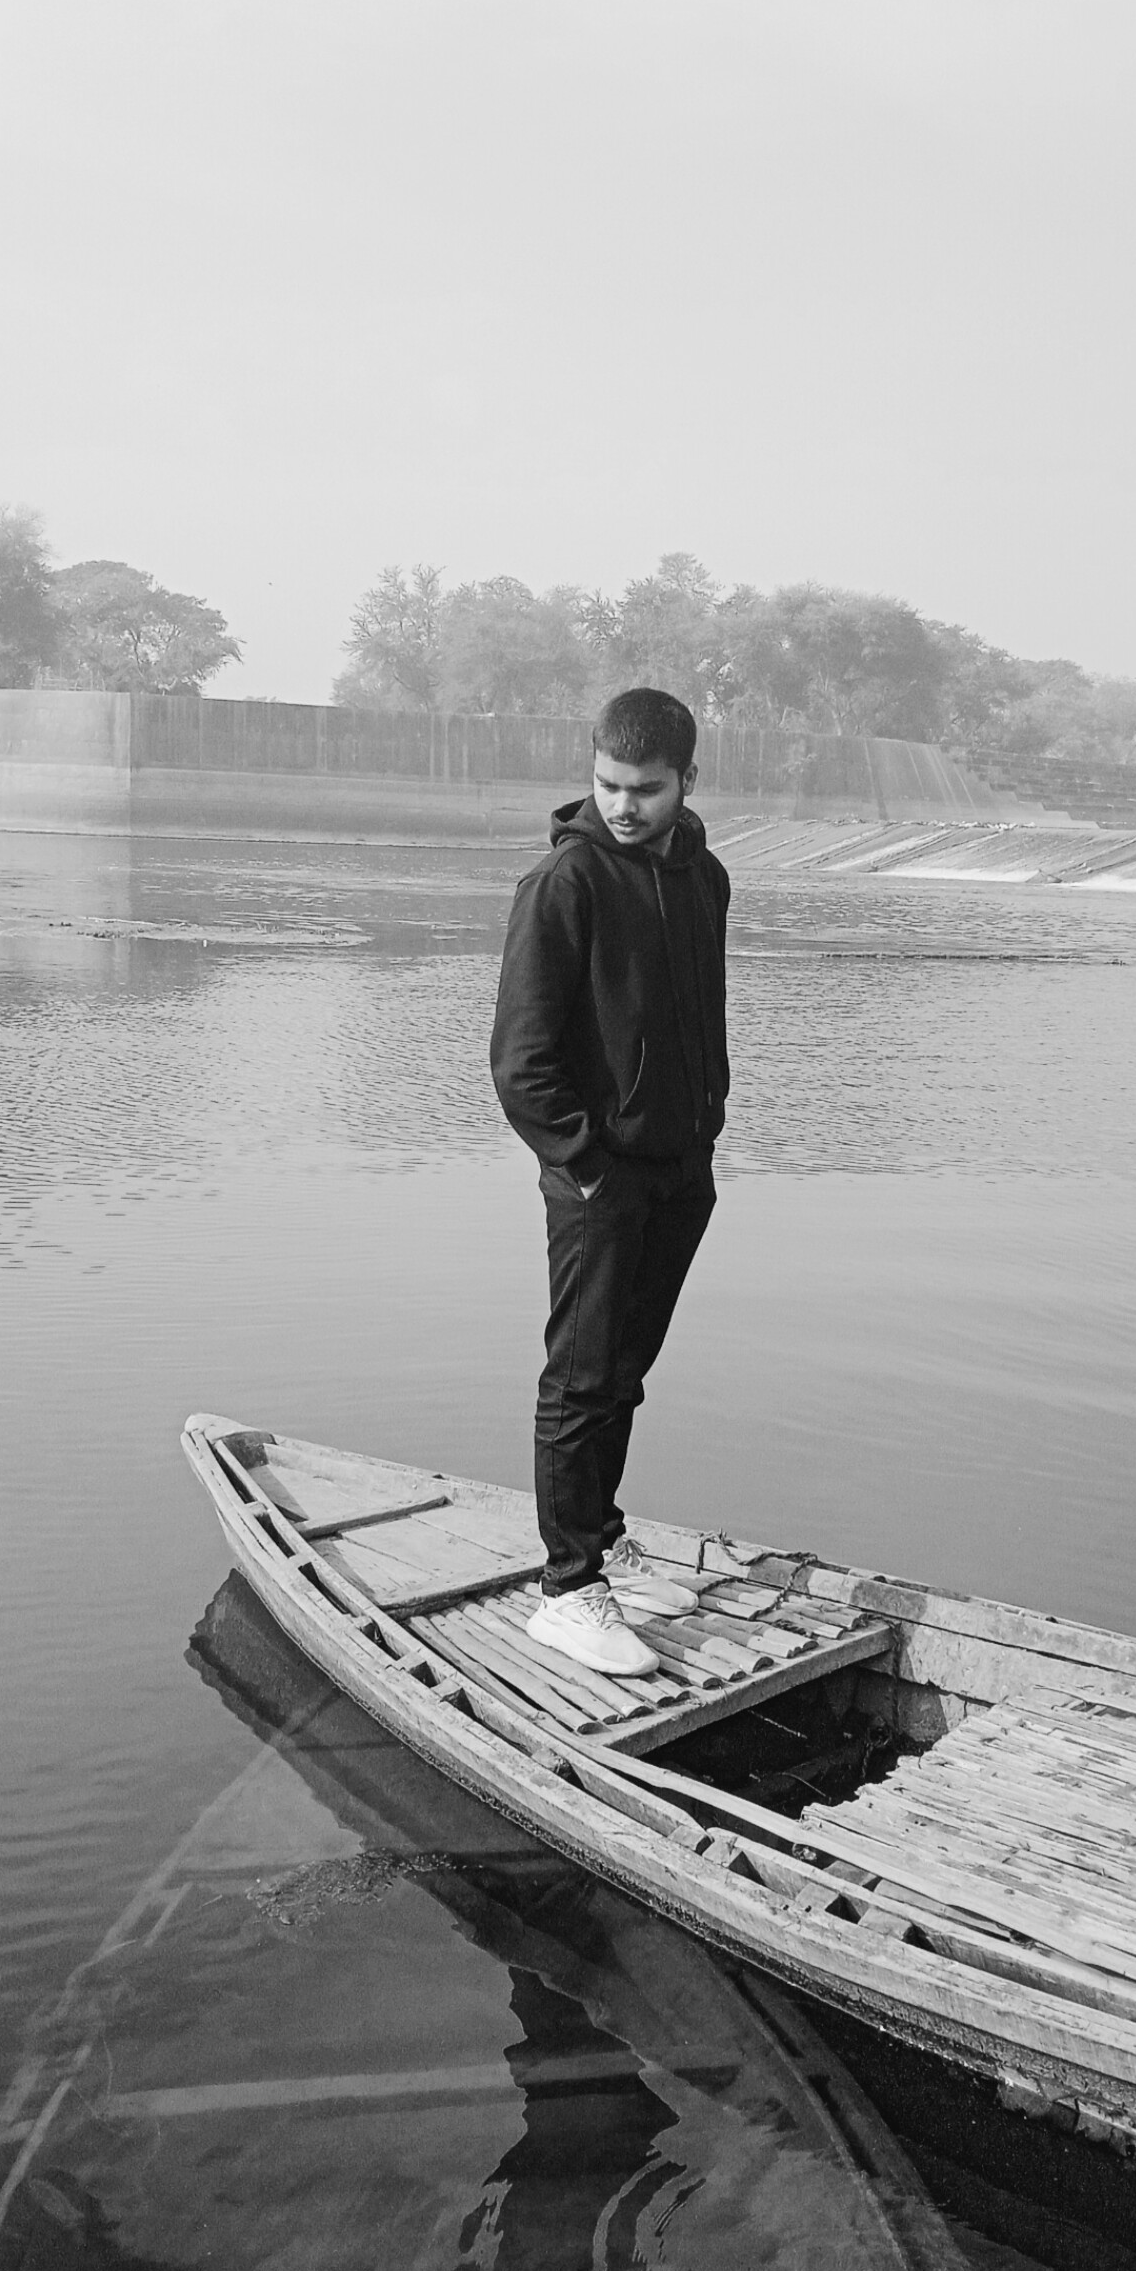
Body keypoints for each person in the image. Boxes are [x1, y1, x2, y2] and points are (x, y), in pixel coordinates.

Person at [489, 687, 731, 1675]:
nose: (625, 805)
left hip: (678, 1171)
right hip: (595, 1179)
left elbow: (697, 1023)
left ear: (685, 781)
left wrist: (703, 1130)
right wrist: (585, 1167)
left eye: (646, 789)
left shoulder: (703, 878)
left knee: (625, 1373)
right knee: (582, 1377)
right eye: (608, 786)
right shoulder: (564, 883)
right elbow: (519, 1060)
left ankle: (602, 1539)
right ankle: (568, 1589)